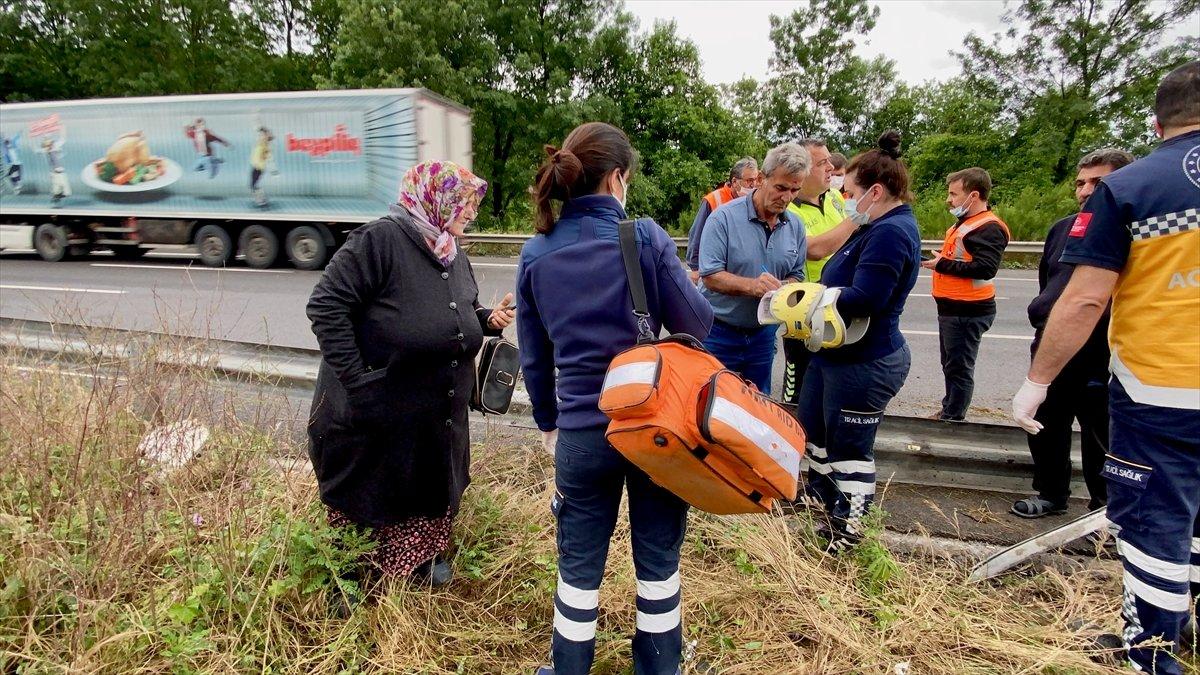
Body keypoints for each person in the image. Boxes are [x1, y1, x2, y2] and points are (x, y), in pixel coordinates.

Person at [1012, 61, 1200, 674]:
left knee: (1154, 530)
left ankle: (1152, 653)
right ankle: (1188, 628)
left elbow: (1086, 298)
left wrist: (1036, 382)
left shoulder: (1138, 188)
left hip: (1164, 391)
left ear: (1156, 122)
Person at [517, 122, 713, 675]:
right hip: (652, 429)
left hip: (581, 433)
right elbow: (699, 321)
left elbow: (534, 357)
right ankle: (657, 667)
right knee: (657, 559)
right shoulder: (643, 237)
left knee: (577, 566)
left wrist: (550, 424)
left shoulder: (536, 252)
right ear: (618, 178)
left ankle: (567, 667)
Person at [306, 160, 514, 590]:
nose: (471, 211)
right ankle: (350, 576)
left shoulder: (451, 253)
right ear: (432, 199)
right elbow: (326, 306)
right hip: (375, 413)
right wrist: (359, 382)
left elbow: (446, 311)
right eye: (463, 201)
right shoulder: (379, 241)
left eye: (472, 202)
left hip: (433, 418)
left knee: (427, 483)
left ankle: (419, 561)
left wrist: (485, 319)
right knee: (369, 493)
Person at [799, 131, 921, 549]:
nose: (844, 200)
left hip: (865, 362)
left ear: (874, 192)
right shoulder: (876, 227)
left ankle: (850, 532)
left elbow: (868, 297)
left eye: (848, 192)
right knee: (815, 430)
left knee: (850, 449)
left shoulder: (891, 233)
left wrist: (813, 300)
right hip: (837, 356)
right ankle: (826, 508)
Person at [1011, 147, 1135, 519]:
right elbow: (1049, 283)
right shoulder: (1063, 229)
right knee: (1045, 425)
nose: (1085, 191)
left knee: (1102, 433)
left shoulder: (1134, 231)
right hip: (1055, 345)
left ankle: (1106, 506)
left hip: (1103, 350)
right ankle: (1051, 494)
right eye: (1081, 183)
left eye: (1097, 183)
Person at [697, 143, 857, 394]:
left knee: (758, 405)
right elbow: (710, 276)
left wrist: (787, 288)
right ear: (762, 178)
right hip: (718, 332)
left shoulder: (794, 226)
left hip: (763, 334)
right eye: (781, 188)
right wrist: (752, 286)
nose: (786, 197)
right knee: (711, 404)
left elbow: (797, 274)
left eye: (794, 190)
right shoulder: (723, 219)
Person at [924, 167, 1011, 421]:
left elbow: (985, 268)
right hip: (954, 309)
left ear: (973, 196)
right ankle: (949, 408)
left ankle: (952, 417)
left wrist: (942, 264)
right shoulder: (965, 223)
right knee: (951, 366)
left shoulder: (989, 227)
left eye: (953, 194)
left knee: (959, 368)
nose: (949, 200)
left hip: (968, 311)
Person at [782, 138, 848, 404]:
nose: (831, 168)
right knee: (799, 380)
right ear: (803, 169)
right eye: (822, 163)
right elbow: (814, 249)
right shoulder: (789, 207)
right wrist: (856, 223)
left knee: (832, 376)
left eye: (829, 160)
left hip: (837, 301)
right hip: (803, 307)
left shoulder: (834, 198)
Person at [685, 157, 760, 282]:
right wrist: (697, 269)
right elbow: (696, 235)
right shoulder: (714, 200)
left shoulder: (754, 202)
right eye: (749, 180)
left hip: (743, 271)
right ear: (735, 181)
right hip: (716, 270)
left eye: (756, 180)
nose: (753, 185)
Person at [249, 127, 277, 207]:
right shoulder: (261, 143)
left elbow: (269, 157)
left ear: (266, 136)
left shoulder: (266, 145)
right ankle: (262, 199)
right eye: (260, 135)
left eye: (262, 135)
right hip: (256, 166)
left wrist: (273, 170)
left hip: (258, 167)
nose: (259, 136)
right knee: (253, 185)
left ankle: (261, 200)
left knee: (253, 185)